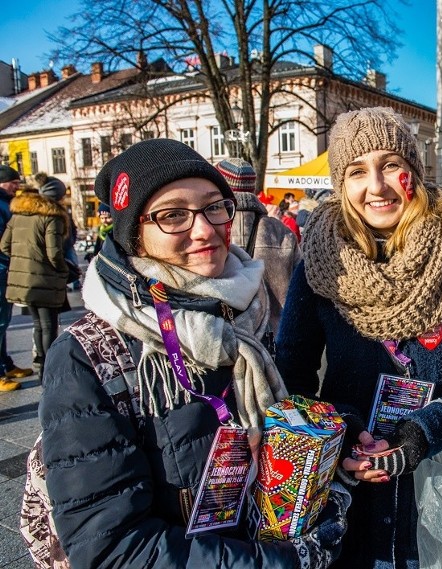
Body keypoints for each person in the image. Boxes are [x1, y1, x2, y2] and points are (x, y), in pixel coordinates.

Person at [37, 139, 349, 568]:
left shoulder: (246, 314)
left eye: (214, 206)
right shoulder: (87, 356)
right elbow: (111, 547)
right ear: (135, 236)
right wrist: (278, 563)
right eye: (172, 215)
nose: (204, 230)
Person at [275, 107, 442, 567]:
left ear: (413, 172)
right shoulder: (318, 270)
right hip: (347, 499)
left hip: (439, 486)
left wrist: (421, 432)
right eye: (357, 171)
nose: (376, 186)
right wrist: (344, 433)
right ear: (342, 185)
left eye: (391, 165)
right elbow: (292, 383)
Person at [216, 157, 301, 332]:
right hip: (276, 340)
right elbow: (301, 290)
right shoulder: (280, 232)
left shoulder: (209, 229)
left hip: (225, 340)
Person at [1, 176, 70, 380]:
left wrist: (22, 260)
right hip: (45, 279)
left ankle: (40, 362)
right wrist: (65, 271)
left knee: (38, 324)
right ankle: (49, 368)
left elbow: (4, 246)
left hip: (23, 282)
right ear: (57, 196)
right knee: (49, 325)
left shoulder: (19, 214)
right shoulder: (53, 217)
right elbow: (54, 254)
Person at [0, 166, 33, 391]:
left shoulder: (6, 201)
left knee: (5, 319)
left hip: (5, 267)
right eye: (14, 182)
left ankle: (5, 364)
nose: (17, 186)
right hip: (1, 266)